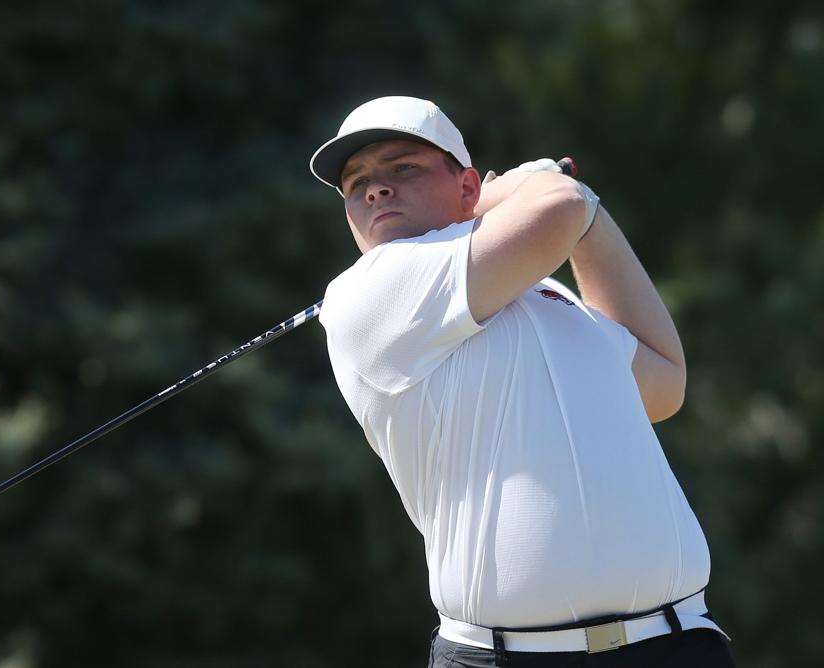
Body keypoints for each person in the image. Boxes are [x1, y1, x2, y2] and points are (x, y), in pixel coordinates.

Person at [309, 96, 735, 667]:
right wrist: (536, 188)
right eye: (356, 183)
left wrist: (585, 211)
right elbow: (557, 207)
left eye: (402, 167)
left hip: (676, 644)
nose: (376, 189)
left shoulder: (546, 292)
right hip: (511, 658)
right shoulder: (369, 291)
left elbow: (662, 383)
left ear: (463, 187)